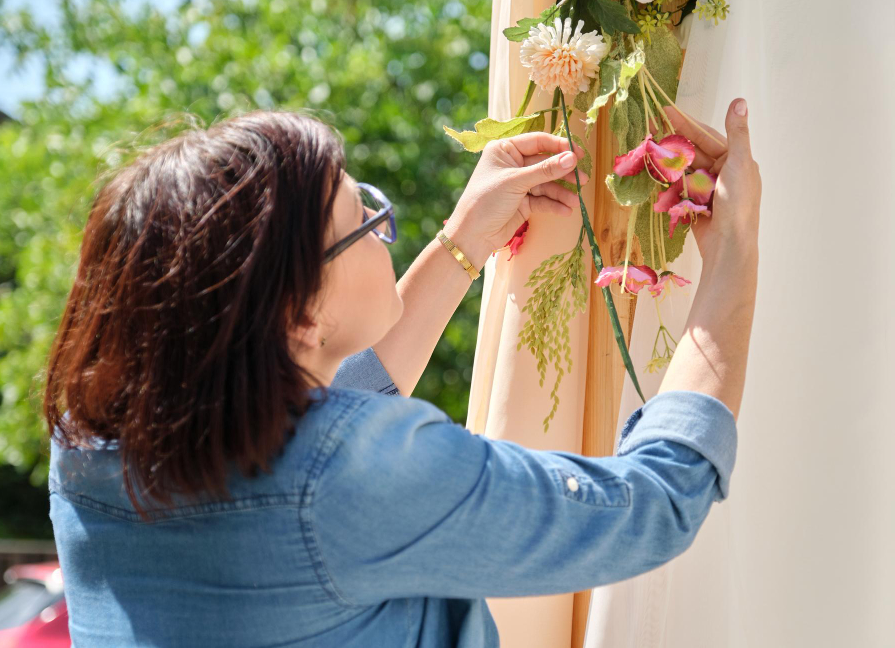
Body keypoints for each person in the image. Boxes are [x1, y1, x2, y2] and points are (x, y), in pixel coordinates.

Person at [45, 97, 761, 646]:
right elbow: (653, 503)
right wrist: (733, 253)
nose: (388, 230)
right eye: (366, 220)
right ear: (299, 318)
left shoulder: (90, 443)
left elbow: (298, 450)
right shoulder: (345, 480)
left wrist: (464, 241)